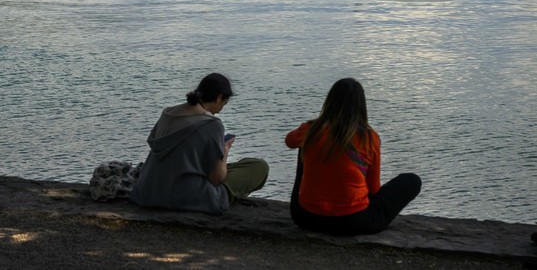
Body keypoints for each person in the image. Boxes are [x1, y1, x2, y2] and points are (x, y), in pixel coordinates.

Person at [285, 78, 421, 235]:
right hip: (353, 223)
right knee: (412, 180)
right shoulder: (369, 138)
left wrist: (310, 131)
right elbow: (374, 189)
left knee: (305, 145)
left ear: (329, 102)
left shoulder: (310, 129)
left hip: (305, 218)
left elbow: (289, 141)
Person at [129, 73, 269, 214]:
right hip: (186, 197)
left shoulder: (168, 113)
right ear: (219, 98)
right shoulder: (211, 124)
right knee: (258, 167)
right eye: (224, 103)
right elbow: (216, 179)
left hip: (147, 192)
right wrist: (225, 150)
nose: (222, 109)